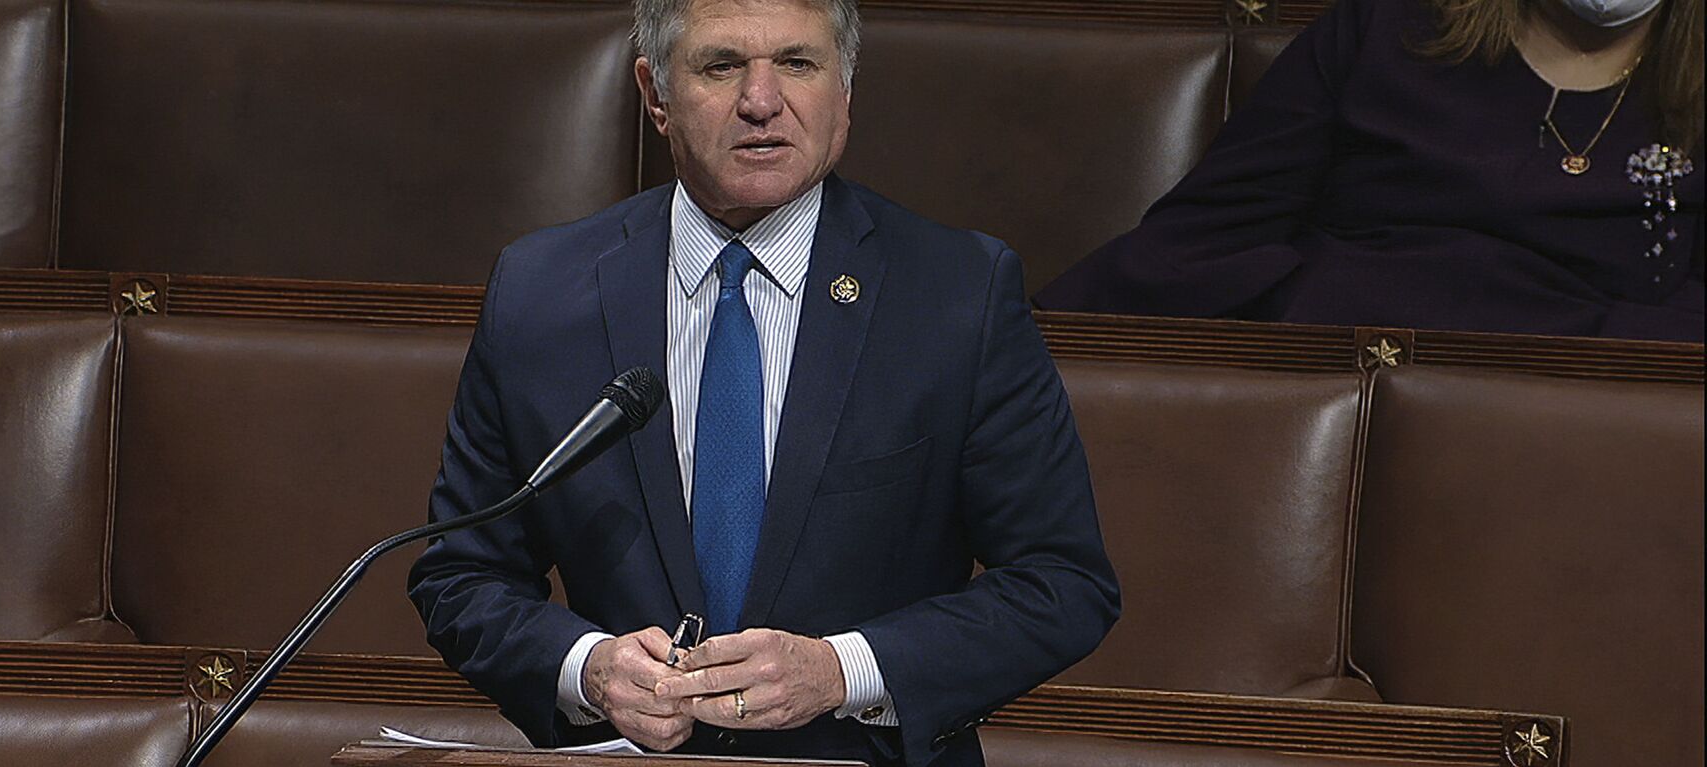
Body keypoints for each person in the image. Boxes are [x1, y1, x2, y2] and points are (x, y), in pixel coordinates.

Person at [407, 0, 1120, 764]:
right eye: (721, 66)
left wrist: (842, 670)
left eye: (797, 63)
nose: (761, 101)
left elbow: (1062, 581)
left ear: (844, 91)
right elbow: (461, 572)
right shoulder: (540, 293)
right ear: (655, 95)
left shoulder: (956, 294)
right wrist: (588, 668)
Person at [1034, 0, 1703, 343]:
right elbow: (1211, 230)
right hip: (1337, 382)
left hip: (1581, 425)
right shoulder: (1389, 21)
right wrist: (1023, 334)